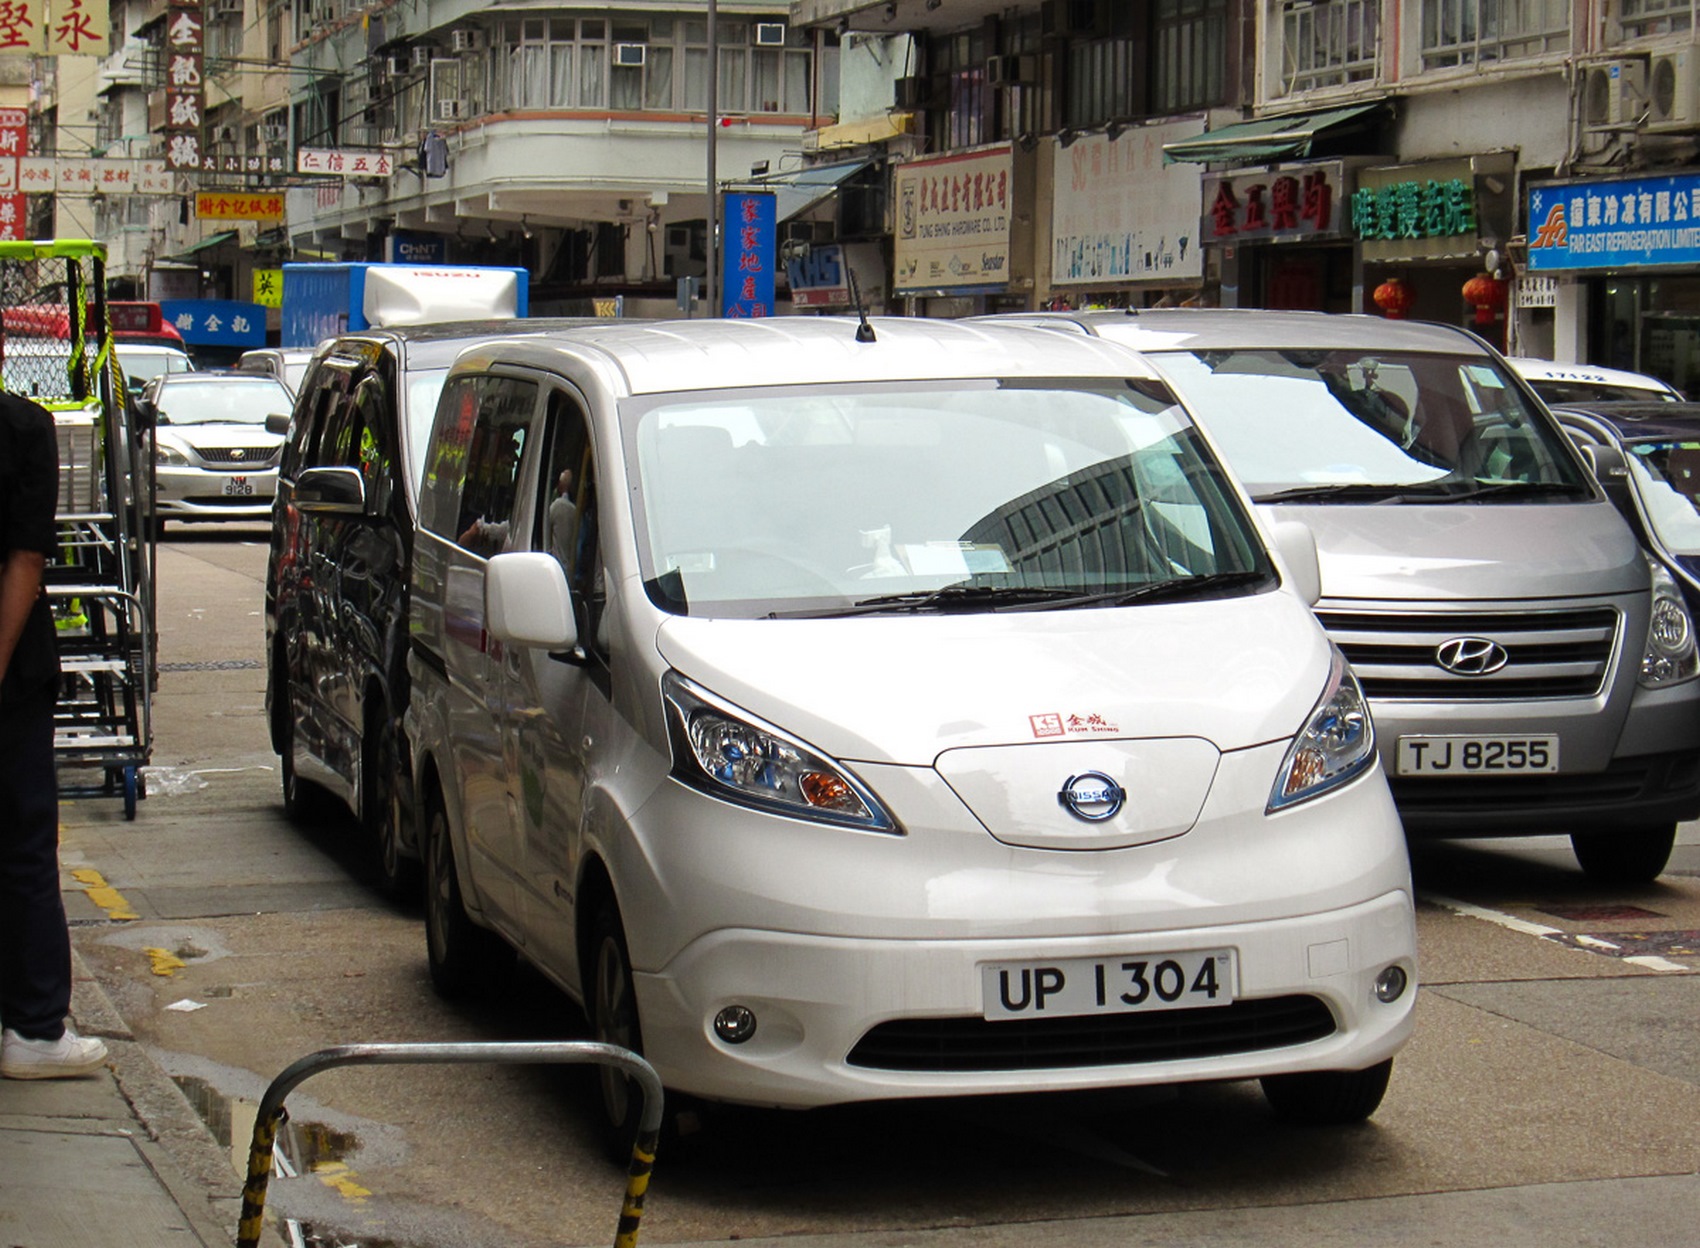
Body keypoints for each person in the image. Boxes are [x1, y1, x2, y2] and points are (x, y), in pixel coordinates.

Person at [0, 388, 108, 1079]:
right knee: (22, 846)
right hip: (13, 682)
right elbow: (25, 561)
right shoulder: (20, 427)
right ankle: (35, 1030)